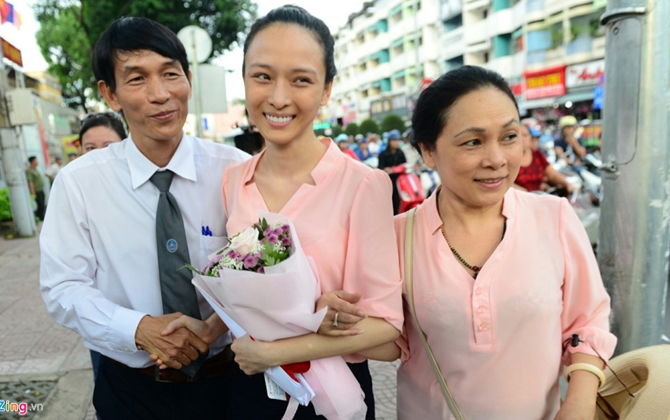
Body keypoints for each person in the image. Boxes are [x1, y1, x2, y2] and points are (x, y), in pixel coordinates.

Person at [157, 6, 402, 419]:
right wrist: (209, 329)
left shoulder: (362, 184)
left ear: (326, 90)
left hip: (330, 393)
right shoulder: (234, 180)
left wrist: (280, 347)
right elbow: (246, 289)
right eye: (263, 76)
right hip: (250, 387)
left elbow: (389, 334)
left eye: (301, 79)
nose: (278, 97)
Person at [364, 66, 616, 419]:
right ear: (428, 151)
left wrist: (580, 400)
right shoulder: (396, 237)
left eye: (509, 136)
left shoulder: (553, 217)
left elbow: (587, 320)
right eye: (473, 141)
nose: (497, 159)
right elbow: (389, 341)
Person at [39, 17, 248, 420]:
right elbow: (62, 286)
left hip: (233, 382)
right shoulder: (80, 183)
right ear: (110, 94)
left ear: (188, 78)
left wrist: (215, 327)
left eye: (171, 74)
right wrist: (137, 328)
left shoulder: (235, 171)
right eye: (137, 80)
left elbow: (261, 272)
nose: (160, 95)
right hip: (132, 392)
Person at [515, 124, 574, 195]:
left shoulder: (537, 155)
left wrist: (567, 184)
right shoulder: (510, 159)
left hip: (540, 198)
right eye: (518, 136)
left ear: (530, 137)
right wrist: (525, 193)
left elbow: (552, 175)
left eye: (525, 135)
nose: (522, 139)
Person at [378, 129, 407, 214]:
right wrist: (386, 169)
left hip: (401, 179)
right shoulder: (383, 154)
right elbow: (380, 168)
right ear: (389, 141)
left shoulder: (401, 153)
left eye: (397, 140)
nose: (396, 143)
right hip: (390, 180)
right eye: (394, 140)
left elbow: (405, 164)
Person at [26, 156, 46, 221]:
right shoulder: (30, 171)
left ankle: (40, 217)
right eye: (36, 160)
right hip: (36, 191)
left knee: (42, 205)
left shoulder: (35, 170)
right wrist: (33, 193)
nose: (37, 162)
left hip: (40, 190)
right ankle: (39, 218)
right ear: (32, 162)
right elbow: (30, 182)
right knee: (41, 205)